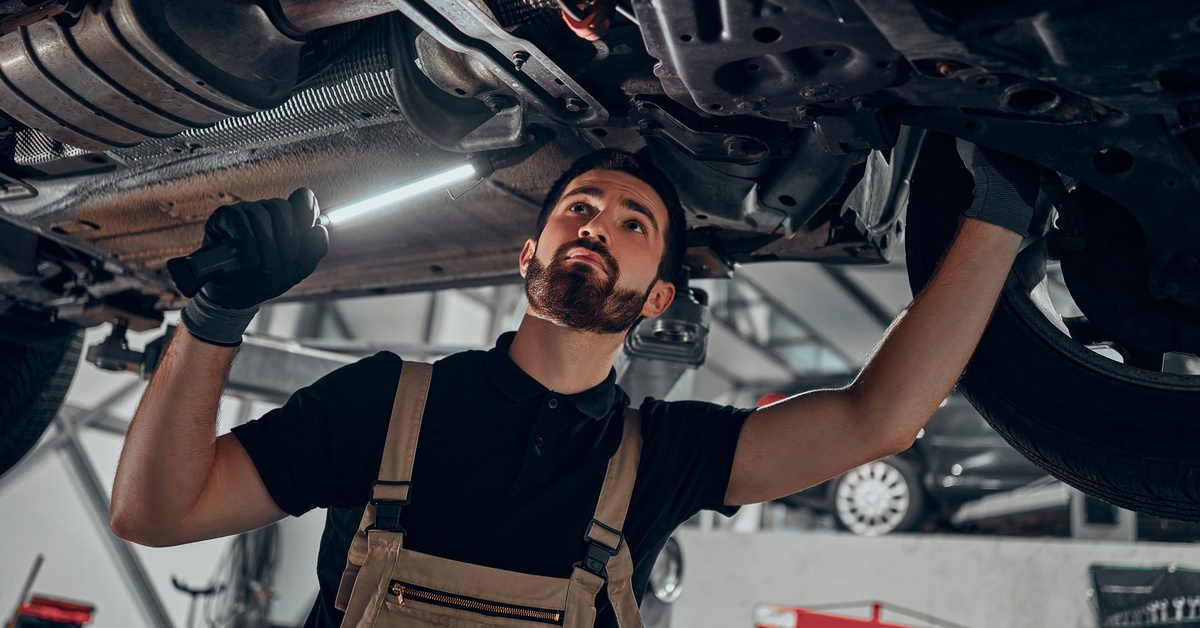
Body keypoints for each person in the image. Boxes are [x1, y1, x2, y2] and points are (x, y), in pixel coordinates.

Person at [109, 143, 1041, 627]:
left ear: (657, 297)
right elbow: (154, 512)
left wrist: (997, 212)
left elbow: (881, 419)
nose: (598, 225)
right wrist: (215, 318)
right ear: (531, 255)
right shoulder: (387, 402)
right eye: (579, 209)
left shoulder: (665, 457)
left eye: (633, 223)